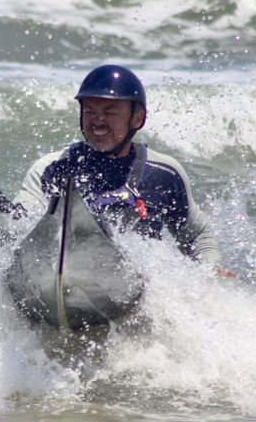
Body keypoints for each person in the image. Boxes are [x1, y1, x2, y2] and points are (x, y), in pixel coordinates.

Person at [14, 64, 224, 269]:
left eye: (110, 112)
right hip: (56, 272)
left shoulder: (164, 173)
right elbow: (16, 230)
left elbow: (197, 236)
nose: (98, 121)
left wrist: (210, 270)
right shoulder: (50, 168)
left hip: (134, 286)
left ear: (137, 118)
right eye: (89, 111)